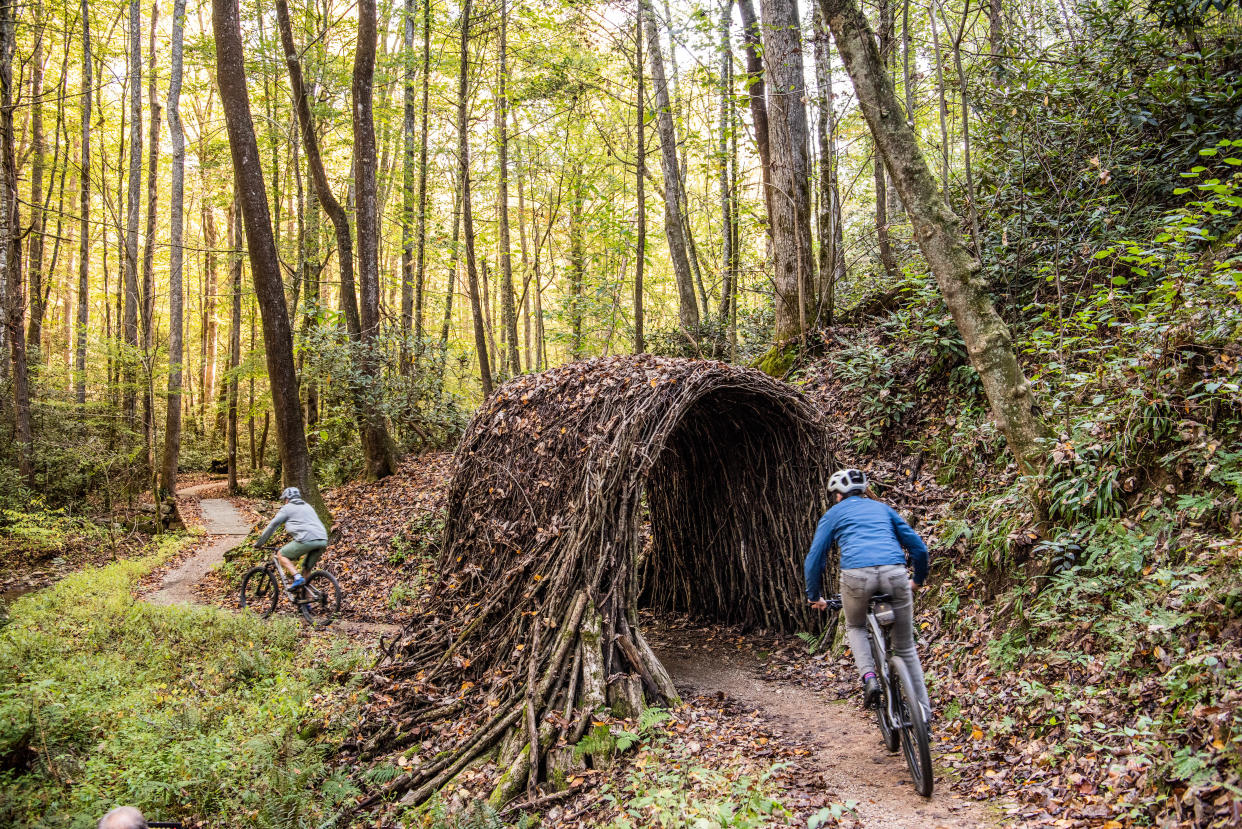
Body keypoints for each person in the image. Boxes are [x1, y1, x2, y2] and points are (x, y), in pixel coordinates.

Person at [804, 468, 932, 718]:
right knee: (905, 649)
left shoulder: (834, 514)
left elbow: (815, 559)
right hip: (895, 573)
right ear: (863, 491)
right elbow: (919, 548)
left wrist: (814, 596)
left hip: (856, 577)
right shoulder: (883, 509)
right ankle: (924, 716)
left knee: (856, 626)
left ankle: (870, 677)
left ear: (838, 495)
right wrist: (917, 580)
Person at [255, 487, 328, 591]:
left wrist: (260, 543)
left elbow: (272, 525)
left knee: (281, 554)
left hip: (306, 540)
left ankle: (297, 577)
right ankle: (307, 603)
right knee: (306, 571)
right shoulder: (307, 506)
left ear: (287, 499)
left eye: (284, 499)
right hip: (322, 539)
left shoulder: (287, 508)